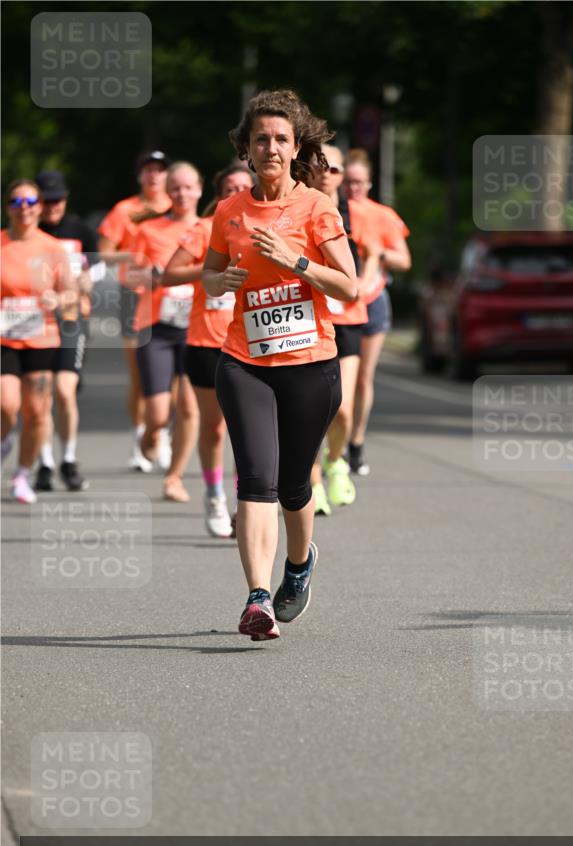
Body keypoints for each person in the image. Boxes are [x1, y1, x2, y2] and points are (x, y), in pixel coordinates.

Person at [203, 89, 357, 640]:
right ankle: (257, 597)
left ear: (295, 148)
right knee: (255, 480)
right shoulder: (229, 211)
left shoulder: (317, 207)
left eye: (280, 139)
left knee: (294, 484)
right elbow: (209, 275)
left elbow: (349, 285)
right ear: (245, 148)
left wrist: (296, 261)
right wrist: (221, 281)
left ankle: (298, 564)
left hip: (310, 364)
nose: (270, 148)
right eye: (260, 139)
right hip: (244, 360)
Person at [163, 163, 253, 537]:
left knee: (247, 431)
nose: (237, 193)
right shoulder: (205, 229)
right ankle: (214, 495)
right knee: (214, 429)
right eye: (230, 188)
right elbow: (169, 274)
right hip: (206, 343)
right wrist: (213, 271)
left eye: (243, 186)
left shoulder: (265, 228)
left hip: (251, 344)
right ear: (219, 194)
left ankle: (245, 503)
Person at [310, 144, 380, 514]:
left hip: (348, 320)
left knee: (342, 410)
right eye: (319, 165)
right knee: (309, 410)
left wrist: (363, 286)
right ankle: (312, 483)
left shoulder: (358, 213)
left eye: (334, 168)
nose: (326, 173)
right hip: (307, 320)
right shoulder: (299, 207)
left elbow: (375, 254)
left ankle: (335, 460)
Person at [128, 161, 203, 502]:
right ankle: (150, 436)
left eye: (188, 187)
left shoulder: (210, 228)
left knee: (189, 406)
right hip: (156, 327)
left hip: (196, 326)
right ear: (167, 192)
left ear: (199, 190)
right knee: (158, 414)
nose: (182, 193)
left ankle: (174, 477)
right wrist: (151, 276)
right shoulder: (149, 230)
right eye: (176, 187)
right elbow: (128, 275)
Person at [98, 151, 172, 472]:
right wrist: (136, 256)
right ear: (140, 175)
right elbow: (105, 253)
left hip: (169, 297)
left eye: (160, 170)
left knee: (173, 375)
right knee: (140, 375)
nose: (154, 175)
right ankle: (139, 437)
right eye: (148, 170)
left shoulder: (175, 206)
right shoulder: (124, 210)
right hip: (134, 296)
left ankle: (162, 435)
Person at [1, 179, 74, 503]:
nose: (24, 209)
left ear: (40, 207)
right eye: (17, 202)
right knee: (7, 405)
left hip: (41, 338)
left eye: (31, 202)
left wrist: (58, 299)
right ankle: (4, 440)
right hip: (4, 337)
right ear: (7, 208)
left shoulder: (52, 248)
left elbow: (71, 293)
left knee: (36, 413)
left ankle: (21, 474)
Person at [344, 148, 411, 476]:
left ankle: (356, 443)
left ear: (369, 183)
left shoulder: (382, 215)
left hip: (372, 300)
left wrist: (378, 252)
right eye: (348, 181)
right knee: (338, 378)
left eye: (359, 182)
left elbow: (404, 260)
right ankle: (331, 443)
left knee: (363, 378)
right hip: (340, 302)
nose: (353, 188)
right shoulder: (331, 210)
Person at [33, 169, 97, 492]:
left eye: (57, 199)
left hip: (72, 318)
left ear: (66, 199)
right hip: (36, 322)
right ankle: (44, 463)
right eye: (46, 201)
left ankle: (68, 460)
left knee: (64, 390)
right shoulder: (29, 233)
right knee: (41, 394)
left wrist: (87, 280)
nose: (52, 206)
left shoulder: (80, 230)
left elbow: (97, 268)